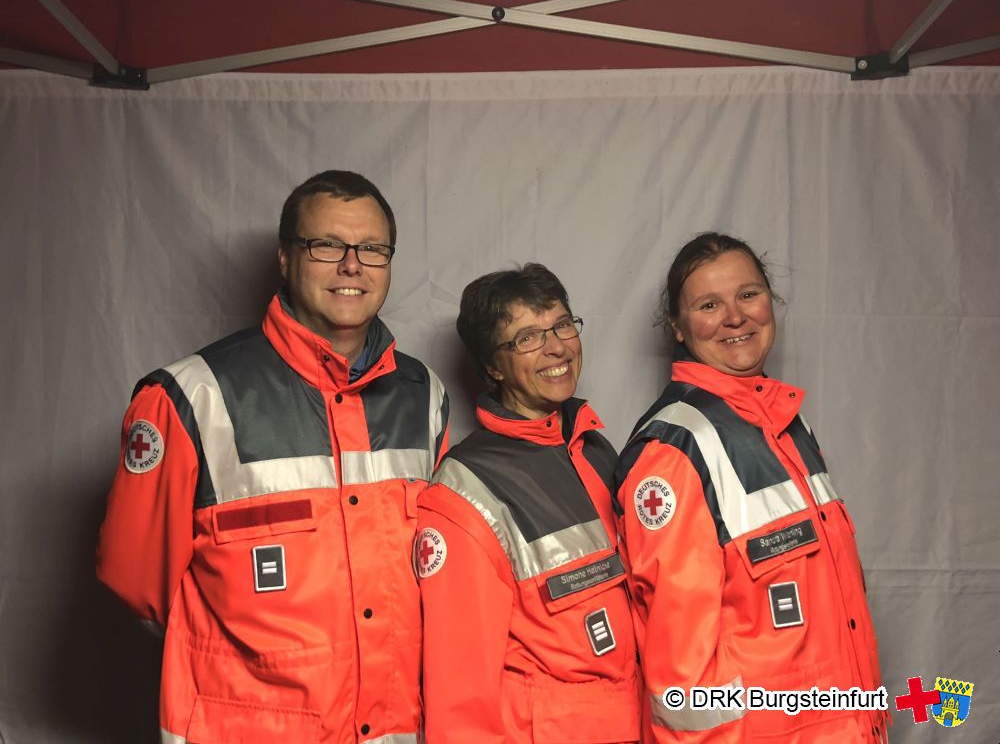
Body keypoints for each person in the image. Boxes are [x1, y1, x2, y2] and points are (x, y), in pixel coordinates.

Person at [96, 170, 449, 744]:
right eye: (327, 245)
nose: (351, 265)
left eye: (372, 248)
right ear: (285, 258)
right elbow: (138, 586)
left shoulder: (423, 395)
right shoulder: (190, 398)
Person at [615, 233, 886, 743]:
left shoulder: (787, 425)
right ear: (678, 326)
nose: (735, 317)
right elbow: (684, 680)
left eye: (748, 294)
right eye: (708, 304)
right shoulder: (674, 451)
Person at [416, 263, 641, 743]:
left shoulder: (596, 450)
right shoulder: (466, 489)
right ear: (493, 367)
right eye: (527, 337)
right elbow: (459, 693)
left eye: (562, 324)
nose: (557, 346)